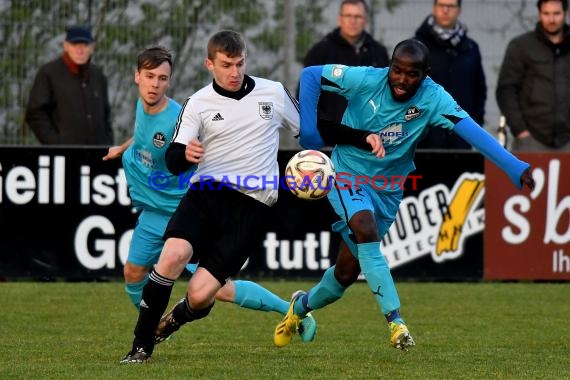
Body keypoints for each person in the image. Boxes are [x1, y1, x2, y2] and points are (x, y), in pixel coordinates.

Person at [273, 38, 536, 351]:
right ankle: (396, 322)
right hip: (346, 174)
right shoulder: (367, 79)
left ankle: (299, 308)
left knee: (345, 274)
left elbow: (473, 131)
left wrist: (513, 166)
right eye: (396, 71)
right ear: (390, 67)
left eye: (411, 74)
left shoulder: (434, 98)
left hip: (387, 191)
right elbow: (312, 75)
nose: (401, 79)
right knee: (364, 227)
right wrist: (311, 131)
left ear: (424, 74)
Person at [104, 46, 315, 361]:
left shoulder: (267, 94)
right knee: (143, 268)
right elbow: (163, 148)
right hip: (183, 204)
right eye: (150, 77)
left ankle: (291, 309)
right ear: (210, 64)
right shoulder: (177, 104)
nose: (155, 84)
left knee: (206, 293)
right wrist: (126, 147)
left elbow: (310, 133)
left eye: (162, 78)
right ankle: (142, 345)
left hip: (240, 205)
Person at [496, 0, 570, 151]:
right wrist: (520, 130)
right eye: (546, 14)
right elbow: (506, 90)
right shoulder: (521, 46)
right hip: (531, 139)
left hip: (567, 138)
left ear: (565, 14)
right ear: (539, 14)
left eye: (556, 13)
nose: (551, 19)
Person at [302, 0, 389, 123]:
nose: (352, 21)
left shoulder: (378, 52)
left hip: (369, 133)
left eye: (357, 16)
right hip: (331, 135)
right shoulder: (320, 51)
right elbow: (306, 94)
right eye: (348, 15)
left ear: (365, 20)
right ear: (339, 19)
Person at [415, 0, 487, 150]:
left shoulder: (471, 48)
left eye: (451, 6)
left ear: (459, 10)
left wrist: (474, 124)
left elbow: (479, 90)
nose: (445, 10)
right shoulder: (417, 46)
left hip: (461, 136)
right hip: (424, 137)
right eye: (441, 5)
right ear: (434, 8)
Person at [25, 25, 113, 145]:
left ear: (92, 48)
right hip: (63, 158)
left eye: (85, 45)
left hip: (97, 156)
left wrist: (107, 144)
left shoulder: (98, 76)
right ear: (66, 46)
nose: (80, 50)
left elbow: (106, 116)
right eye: (75, 45)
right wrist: (56, 144)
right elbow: (35, 114)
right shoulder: (49, 73)